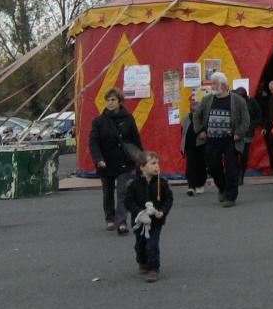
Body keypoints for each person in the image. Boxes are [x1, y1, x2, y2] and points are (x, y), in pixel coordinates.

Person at [88, 87, 143, 234]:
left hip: (125, 161)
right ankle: (110, 218)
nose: (110, 103)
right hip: (105, 162)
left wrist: (141, 160)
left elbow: (136, 140)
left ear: (119, 102)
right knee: (108, 192)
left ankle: (122, 222)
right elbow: (93, 142)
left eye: (113, 100)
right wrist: (98, 159)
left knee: (123, 191)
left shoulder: (129, 118)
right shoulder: (98, 121)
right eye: (108, 100)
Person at [193, 72, 249, 207]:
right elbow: (196, 115)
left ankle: (231, 197)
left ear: (223, 86)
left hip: (230, 140)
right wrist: (200, 131)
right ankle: (222, 187)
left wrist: (239, 133)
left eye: (214, 83)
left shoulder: (237, 100)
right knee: (213, 166)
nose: (211, 86)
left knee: (231, 168)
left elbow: (245, 119)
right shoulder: (207, 100)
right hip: (212, 139)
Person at [124, 151, 174, 283]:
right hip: (139, 221)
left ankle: (153, 269)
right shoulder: (134, 184)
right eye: (152, 163)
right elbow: (128, 201)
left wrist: (163, 211)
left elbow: (168, 199)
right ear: (142, 167)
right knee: (140, 244)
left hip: (156, 221)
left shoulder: (161, 183)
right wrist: (139, 211)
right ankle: (142, 260)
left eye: (157, 163)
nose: (157, 166)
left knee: (152, 244)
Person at [234, 86, 262, 185]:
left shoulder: (251, 101)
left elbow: (259, 114)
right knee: (234, 154)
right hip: (235, 132)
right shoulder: (233, 102)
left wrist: (253, 124)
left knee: (244, 155)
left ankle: (241, 176)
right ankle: (236, 175)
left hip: (248, 132)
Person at [181, 91, 206, 196]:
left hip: (201, 145)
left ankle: (200, 184)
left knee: (201, 165)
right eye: (193, 111)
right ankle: (191, 186)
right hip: (190, 145)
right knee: (190, 165)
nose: (195, 113)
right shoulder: (185, 118)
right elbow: (182, 132)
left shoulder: (204, 119)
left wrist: (205, 134)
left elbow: (207, 130)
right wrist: (182, 145)